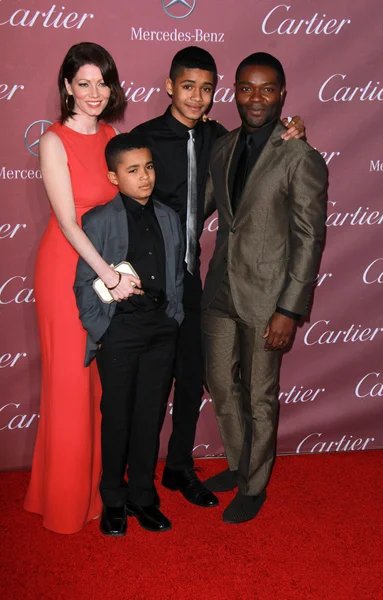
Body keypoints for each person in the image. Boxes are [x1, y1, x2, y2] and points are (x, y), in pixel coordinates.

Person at [131, 46, 305, 508]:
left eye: (206, 89)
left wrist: (290, 309)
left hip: (220, 285)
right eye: (188, 86)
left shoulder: (243, 142)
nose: (197, 97)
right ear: (170, 87)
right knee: (183, 384)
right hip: (164, 282)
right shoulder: (159, 138)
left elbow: (301, 232)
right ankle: (160, 478)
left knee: (223, 385)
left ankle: (216, 477)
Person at [202, 52, 328, 524]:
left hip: (267, 296)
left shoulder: (301, 156)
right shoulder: (225, 145)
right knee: (220, 383)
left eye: (267, 88)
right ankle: (238, 465)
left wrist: (288, 310)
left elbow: (309, 238)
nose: (256, 98)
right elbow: (206, 207)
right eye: (246, 88)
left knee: (258, 394)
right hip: (219, 290)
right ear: (233, 92)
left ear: (282, 94)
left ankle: (255, 486)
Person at [24, 43, 142, 535]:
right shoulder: (53, 141)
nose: (95, 93)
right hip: (66, 271)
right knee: (71, 385)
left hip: (104, 270)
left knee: (98, 387)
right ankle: (65, 503)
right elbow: (70, 224)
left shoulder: (114, 135)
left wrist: (123, 268)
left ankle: (93, 490)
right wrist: (111, 277)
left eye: (102, 83)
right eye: (84, 83)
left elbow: (122, 211)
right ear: (67, 86)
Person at [74, 134, 184, 536]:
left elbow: (176, 277)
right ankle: (114, 501)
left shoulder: (169, 217)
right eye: (133, 170)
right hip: (119, 332)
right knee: (117, 418)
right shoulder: (99, 221)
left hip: (160, 330)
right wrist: (103, 329)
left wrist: (173, 319)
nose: (144, 177)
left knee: (150, 417)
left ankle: (142, 495)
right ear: (113, 176)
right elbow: (85, 285)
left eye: (149, 167)